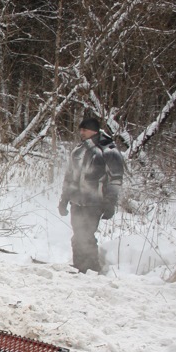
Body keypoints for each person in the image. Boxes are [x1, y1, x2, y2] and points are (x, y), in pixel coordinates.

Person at [58, 117, 125, 273]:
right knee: (77, 236)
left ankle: (92, 270)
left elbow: (115, 179)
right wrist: (64, 199)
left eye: (84, 130)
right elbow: (69, 177)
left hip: (95, 202)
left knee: (86, 236)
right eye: (80, 129)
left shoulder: (108, 150)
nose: (81, 132)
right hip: (77, 201)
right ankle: (79, 268)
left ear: (94, 130)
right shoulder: (79, 150)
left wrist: (110, 203)